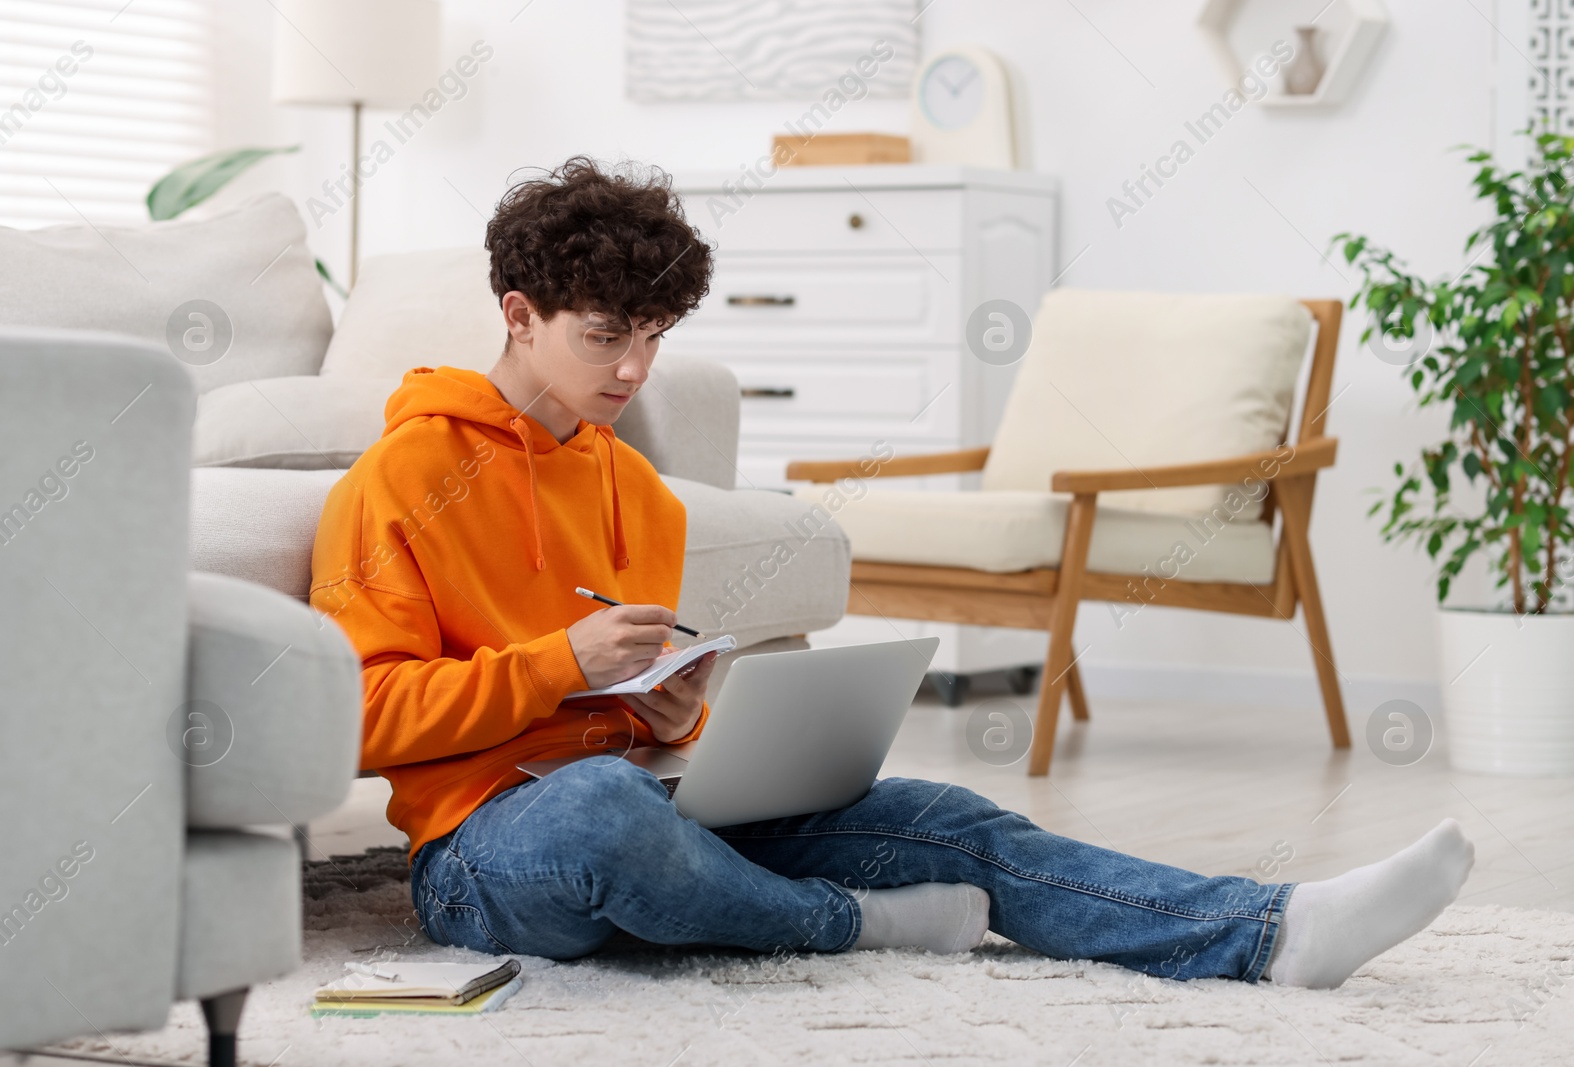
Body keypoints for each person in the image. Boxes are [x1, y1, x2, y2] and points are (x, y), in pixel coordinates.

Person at [309, 156, 1475, 988]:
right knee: (605, 813)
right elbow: (353, 719)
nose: (633, 367)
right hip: (485, 850)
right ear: (518, 314)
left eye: (656, 335)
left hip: (658, 807)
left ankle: (1269, 929)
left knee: (941, 813)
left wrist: (673, 711)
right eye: (604, 335)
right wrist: (557, 662)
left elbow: (638, 724)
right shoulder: (402, 476)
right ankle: (849, 923)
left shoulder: (639, 491)